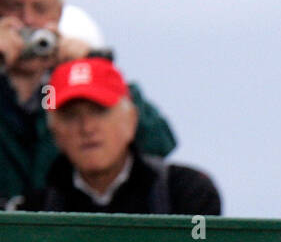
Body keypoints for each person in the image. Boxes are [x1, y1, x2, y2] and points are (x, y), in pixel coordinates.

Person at [0, 0, 177, 200]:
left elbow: (158, 141)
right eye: (14, 6)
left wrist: (97, 67)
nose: (27, 20)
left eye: (40, 8)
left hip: (58, 233)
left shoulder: (76, 84)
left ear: (59, 14)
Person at [7, 57, 220, 214]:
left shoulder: (186, 194)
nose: (87, 128)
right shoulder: (31, 213)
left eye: (100, 111)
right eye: (71, 116)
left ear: (131, 120)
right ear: (54, 132)